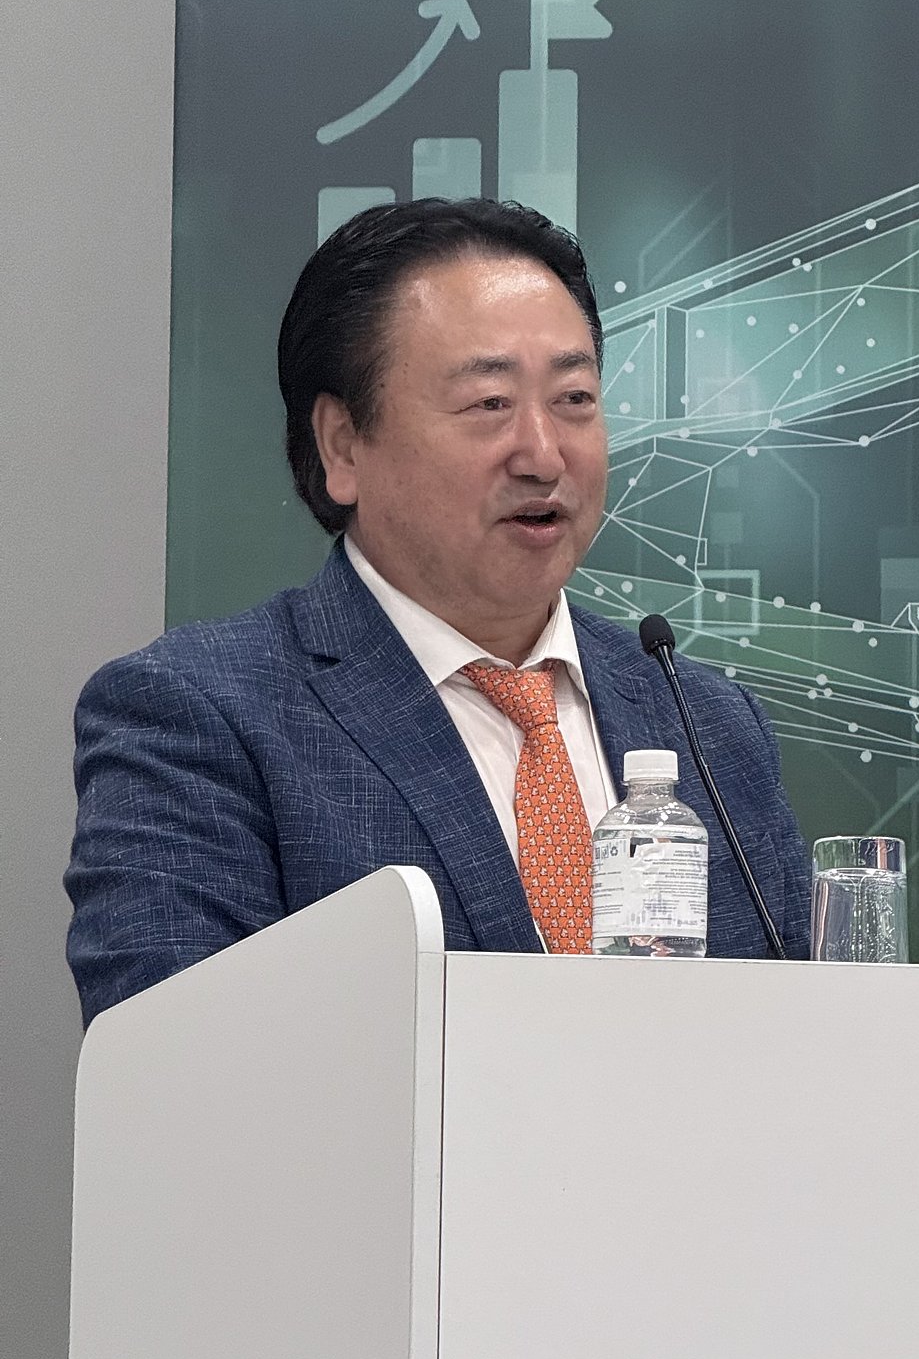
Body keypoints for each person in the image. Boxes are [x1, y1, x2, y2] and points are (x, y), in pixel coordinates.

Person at [66, 200, 811, 1024]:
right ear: (343, 445)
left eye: (574, 398)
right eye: (489, 403)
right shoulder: (200, 716)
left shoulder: (709, 724)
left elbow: (810, 1043)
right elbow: (179, 1061)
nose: (543, 455)